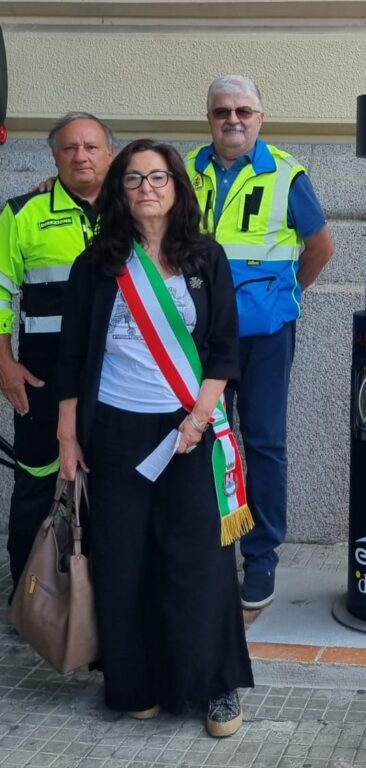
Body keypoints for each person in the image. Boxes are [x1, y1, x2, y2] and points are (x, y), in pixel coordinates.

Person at [56, 139, 254, 737]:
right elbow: (72, 355)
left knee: (199, 558)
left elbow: (224, 348)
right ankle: (134, 680)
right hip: (115, 431)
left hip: (189, 429)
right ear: (119, 191)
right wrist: (68, 436)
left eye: (159, 177)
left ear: (176, 187)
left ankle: (215, 685)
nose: (147, 188)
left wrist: (198, 418)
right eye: (134, 178)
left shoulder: (206, 257)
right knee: (124, 558)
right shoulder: (96, 264)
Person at [185, 75, 335, 610]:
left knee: (265, 444)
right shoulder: (184, 170)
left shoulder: (287, 174)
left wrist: (282, 299)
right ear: (209, 118)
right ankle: (210, 551)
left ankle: (262, 556)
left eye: (243, 111)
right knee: (203, 439)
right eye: (222, 111)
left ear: (260, 118)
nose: (233, 120)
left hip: (265, 336)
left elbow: (320, 248)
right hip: (200, 336)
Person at [0, 113, 113, 600]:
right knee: (36, 478)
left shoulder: (135, 209)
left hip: (116, 370)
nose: (80, 156)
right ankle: (29, 595)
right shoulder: (23, 212)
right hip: (42, 370)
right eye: (69, 148)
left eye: (91, 147)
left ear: (110, 154)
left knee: (108, 481)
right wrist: (4, 364)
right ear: (54, 157)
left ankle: (103, 593)